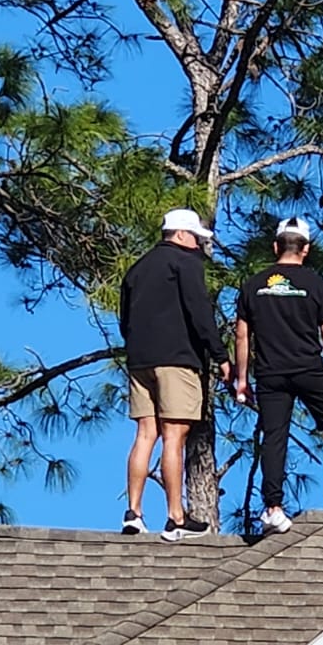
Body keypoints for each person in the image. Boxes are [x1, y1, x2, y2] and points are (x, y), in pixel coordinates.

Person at [118, 208, 232, 541]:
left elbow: (125, 320)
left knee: (144, 433)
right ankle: (176, 516)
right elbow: (199, 312)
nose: (199, 245)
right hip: (177, 359)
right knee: (174, 436)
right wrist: (221, 356)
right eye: (196, 238)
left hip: (140, 359)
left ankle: (133, 513)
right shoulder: (185, 264)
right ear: (181, 235)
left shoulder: (137, 269)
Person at [234, 216, 323, 534]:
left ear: (276, 246)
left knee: (275, 438)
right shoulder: (316, 285)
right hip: (309, 368)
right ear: (306, 249)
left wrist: (241, 380)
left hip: (271, 374)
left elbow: (242, 336)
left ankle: (273, 507)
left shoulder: (254, 285)